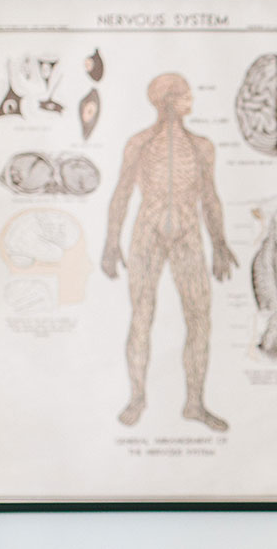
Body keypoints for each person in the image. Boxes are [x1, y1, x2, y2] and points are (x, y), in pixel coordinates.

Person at [102, 73, 237, 432]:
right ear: (167, 101)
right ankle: (137, 397)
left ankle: (194, 403)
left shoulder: (201, 146)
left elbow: (210, 196)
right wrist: (111, 241)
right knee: (141, 315)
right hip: (147, 231)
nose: (191, 100)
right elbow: (121, 193)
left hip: (188, 233)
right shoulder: (140, 144)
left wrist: (220, 243)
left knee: (199, 318)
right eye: (185, 96)